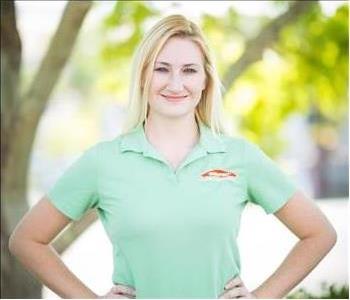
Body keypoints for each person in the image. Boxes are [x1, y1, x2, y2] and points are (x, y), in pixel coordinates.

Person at [9, 14, 337, 299]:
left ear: (206, 80)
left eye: (190, 70)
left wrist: (264, 296)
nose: (176, 83)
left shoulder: (240, 157)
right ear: (143, 76)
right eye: (162, 69)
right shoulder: (103, 162)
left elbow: (319, 233)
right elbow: (27, 240)